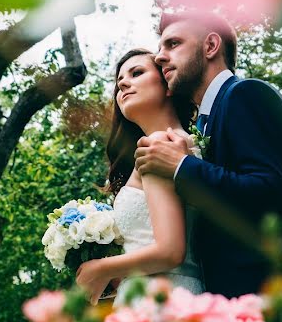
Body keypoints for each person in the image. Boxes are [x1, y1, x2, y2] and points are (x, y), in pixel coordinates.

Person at [134, 11, 282, 322]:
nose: (160, 56)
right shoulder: (202, 122)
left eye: (173, 44)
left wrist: (181, 166)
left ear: (210, 45)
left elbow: (270, 190)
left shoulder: (245, 95)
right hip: (235, 316)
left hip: (278, 308)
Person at [74, 48, 204, 302]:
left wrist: (99, 269)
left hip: (161, 301)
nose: (122, 83)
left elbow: (170, 252)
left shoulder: (160, 146)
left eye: (137, 73)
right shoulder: (183, 142)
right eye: (119, 81)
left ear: (168, 86)